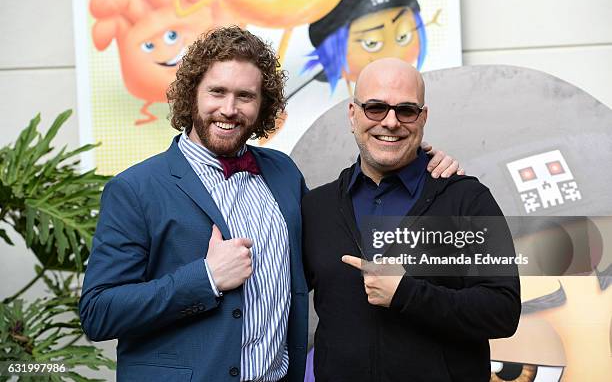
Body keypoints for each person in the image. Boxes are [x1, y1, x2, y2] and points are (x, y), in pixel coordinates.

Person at [79, 27, 458, 382]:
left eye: (245, 96)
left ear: (263, 105)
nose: (229, 108)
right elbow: (99, 313)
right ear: (192, 93)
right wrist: (205, 278)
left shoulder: (283, 174)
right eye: (217, 92)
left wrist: (414, 159)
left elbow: (323, 260)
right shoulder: (135, 188)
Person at [301, 58, 521, 381]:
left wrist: (408, 294)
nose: (390, 122)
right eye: (375, 108)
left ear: (423, 117)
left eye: (405, 110)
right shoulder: (316, 207)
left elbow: (504, 311)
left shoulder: (467, 200)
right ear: (353, 115)